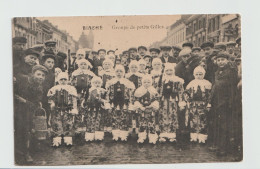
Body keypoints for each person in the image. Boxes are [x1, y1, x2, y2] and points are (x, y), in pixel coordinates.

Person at [14, 65, 48, 162]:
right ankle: (20, 152)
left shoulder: (39, 88)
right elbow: (15, 93)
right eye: (38, 74)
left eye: (43, 75)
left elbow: (35, 104)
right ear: (33, 74)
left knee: (28, 130)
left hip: (28, 111)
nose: (41, 77)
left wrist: (25, 101)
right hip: (18, 109)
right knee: (20, 129)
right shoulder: (24, 81)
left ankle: (26, 152)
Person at [207, 52, 238, 156]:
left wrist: (230, 102)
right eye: (219, 60)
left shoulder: (231, 72)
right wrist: (210, 101)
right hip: (217, 102)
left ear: (227, 60)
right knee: (218, 125)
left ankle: (225, 148)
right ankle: (219, 146)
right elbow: (214, 87)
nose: (220, 62)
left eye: (223, 60)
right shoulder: (217, 72)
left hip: (226, 102)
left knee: (225, 126)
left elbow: (232, 88)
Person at [47, 72, 78, 147]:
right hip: (57, 110)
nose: (63, 81)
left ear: (67, 80)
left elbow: (74, 99)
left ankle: (68, 140)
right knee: (56, 124)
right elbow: (50, 98)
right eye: (61, 79)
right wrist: (52, 104)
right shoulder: (54, 88)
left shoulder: (71, 88)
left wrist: (74, 108)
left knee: (68, 124)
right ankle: (57, 140)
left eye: (65, 79)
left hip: (68, 109)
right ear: (58, 80)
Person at [106, 65, 135, 141]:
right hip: (114, 103)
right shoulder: (111, 82)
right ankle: (115, 134)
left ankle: (123, 135)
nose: (119, 73)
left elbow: (131, 94)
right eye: (117, 71)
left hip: (124, 103)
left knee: (124, 118)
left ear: (124, 72)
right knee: (114, 118)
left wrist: (131, 103)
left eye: (121, 71)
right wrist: (108, 102)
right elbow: (108, 93)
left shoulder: (127, 82)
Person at [159, 63, 185, 143]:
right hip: (164, 101)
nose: (169, 72)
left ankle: (172, 134)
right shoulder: (163, 80)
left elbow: (181, 92)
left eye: (170, 70)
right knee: (163, 115)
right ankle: (163, 133)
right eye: (167, 70)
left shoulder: (177, 80)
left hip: (173, 101)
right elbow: (159, 91)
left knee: (173, 115)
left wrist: (181, 102)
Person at [185, 66, 212, 143]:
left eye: (200, 74)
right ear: (194, 75)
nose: (199, 76)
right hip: (193, 104)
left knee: (203, 120)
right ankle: (193, 136)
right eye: (197, 74)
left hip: (203, 105)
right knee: (193, 120)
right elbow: (186, 93)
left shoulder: (207, 84)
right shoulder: (191, 83)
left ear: (203, 75)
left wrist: (209, 103)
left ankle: (202, 136)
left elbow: (209, 95)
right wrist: (188, 101)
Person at [134, 75, 160, 144]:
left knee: (151, 124)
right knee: (142, 124)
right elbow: (136, 100)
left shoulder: (153, 91)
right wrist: (140, 106)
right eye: (145, 82)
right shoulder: (139, 90)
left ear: (151, 83)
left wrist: (152, 106)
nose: (146, 83)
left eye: (148, 82)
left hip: (150, 110)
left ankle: (152, 137)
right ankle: (142, 137)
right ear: (142, 82)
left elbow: (156, 100)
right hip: (142, 110)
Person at [84, 77, 109, 141]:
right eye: (95, 83)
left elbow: (106, 99)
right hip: (91, 108)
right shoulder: (90, 90)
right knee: (91, 120)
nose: (97, 84)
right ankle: (90, 135)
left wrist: (104, 102)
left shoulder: (103, 91)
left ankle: (99, 135)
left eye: (98, 83)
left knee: (99, 120)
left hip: (100, 108)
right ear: (92, 83)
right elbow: (86, 98)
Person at [41, 54, 56, 128]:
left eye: (52, 63)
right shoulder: (41, 72)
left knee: (47, 111)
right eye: (49, 62)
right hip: (40, 94)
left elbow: (52, 86)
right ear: (44, 62)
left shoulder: (52, 74)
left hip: (47, 95)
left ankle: (46, 127)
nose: (51, 64)